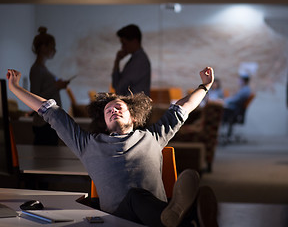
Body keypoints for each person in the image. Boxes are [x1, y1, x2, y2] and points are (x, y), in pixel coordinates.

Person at [7, 67, 218, 227]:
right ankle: (183, 215)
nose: (113, 111)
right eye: (108, 111)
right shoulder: (88, 144)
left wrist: (205, 86)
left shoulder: (152, 137)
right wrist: (15, 88)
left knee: (169, 203)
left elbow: (183, 108)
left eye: (119, 108)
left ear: (134, 117)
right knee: (136, 197)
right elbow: (49, 111)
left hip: (154, 212)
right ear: (104, 122)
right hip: (118, 218)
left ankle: (181, 215)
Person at [29, 26, 70, 145]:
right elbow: (35, 97)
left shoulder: (41, 69)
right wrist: (56, 86)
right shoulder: (37, 69)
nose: (54, 50)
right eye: (52, 47)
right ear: (43, 47)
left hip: (48, 122)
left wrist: (57, 86)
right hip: (44, 123)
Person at [112, 24, 151, 96]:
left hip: (136, 105)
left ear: (134, 41)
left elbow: (119, 88)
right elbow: (116, 85)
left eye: (124, 43)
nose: (122, 47)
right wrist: (117, 61)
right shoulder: (135, 60)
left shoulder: (139, 61)